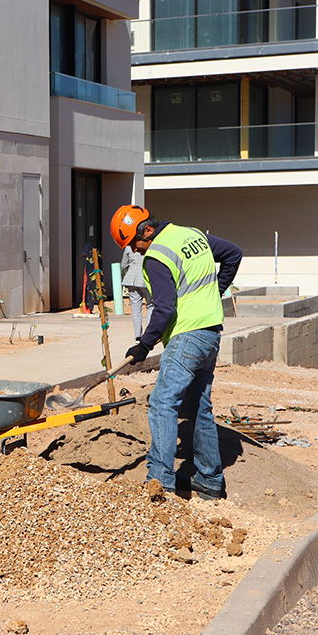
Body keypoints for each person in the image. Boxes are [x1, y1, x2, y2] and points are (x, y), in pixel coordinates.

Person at [111, 205, 242, 500]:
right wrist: (213, 294)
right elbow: (234, 252)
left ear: (147, 230)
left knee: (162, 403)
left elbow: (166, 308)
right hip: (210, 334)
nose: (134, 249)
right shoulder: (191, 235)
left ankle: (159, 482)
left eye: (133, 242)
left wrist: (145, 343)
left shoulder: (157, 257)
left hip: (188, 335)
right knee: (198, 407)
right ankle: (210, 480)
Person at [121, 245, 153, 341]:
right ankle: (148, 335)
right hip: (146, 279)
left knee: (135, 309)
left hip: (131, 279)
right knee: (151, 305)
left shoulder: (129, 247)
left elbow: (123, 265)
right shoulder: (149, 245)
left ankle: (138, 336)